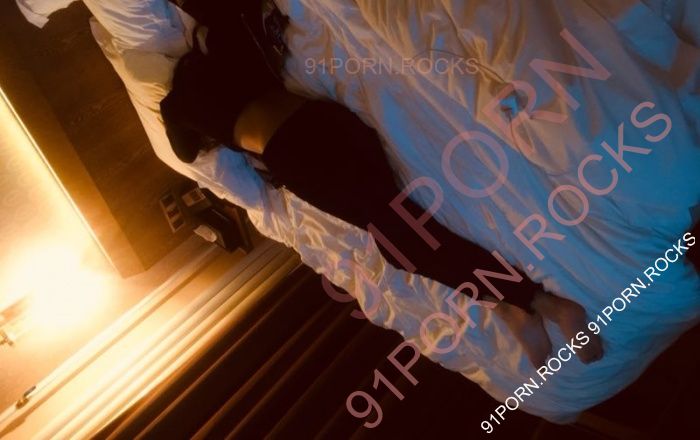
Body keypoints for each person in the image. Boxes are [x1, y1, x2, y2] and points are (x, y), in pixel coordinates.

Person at [161, 0, 603, 367]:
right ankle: (510, 305)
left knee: (402, 244)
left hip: (300, 154)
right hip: (326, 128)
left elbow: (185, 152)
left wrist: (198, 110)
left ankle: (543, 304)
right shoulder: (220, 53)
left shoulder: (179, 102)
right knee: (402, 235)